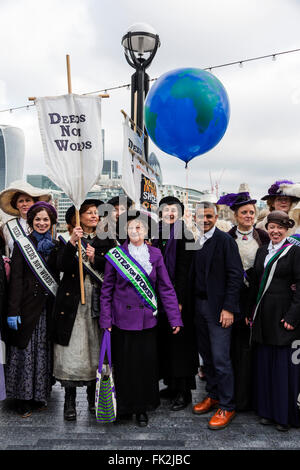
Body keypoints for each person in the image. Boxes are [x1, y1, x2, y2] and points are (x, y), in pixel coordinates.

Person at [100, 211, 183, 427]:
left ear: (147, 231)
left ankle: (143, 408)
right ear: (125, 231)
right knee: (125, 365)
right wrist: (106, 320)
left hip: (147, 320)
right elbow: (106, 290)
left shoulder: (155, 254)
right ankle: (125, 407)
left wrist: (175, 317)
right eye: (131, 227)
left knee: (145, 366)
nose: (135, 231)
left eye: (140, 227)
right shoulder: (115, 255)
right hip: (121, 320)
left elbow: (165, 288)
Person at [52, 199, 106, 421]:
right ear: (78, 216)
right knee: (72, 353)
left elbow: (110, 268)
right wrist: (72, 243)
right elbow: (60, 266)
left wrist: (96, 258)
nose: (94, 216)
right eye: (89, 212)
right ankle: (70, 402)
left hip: (97, 302)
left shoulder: (105, 240)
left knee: (95, 351)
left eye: (97, 213)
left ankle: (94, 399)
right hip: (72, 303)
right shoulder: (65, 240)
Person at [191, 201, 244, 430]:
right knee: (208, 358)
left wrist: (229, 308)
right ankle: (212, 395)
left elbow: (235, 276)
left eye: (209, 216)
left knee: (221, 359)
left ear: (216, 216)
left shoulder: (225, 241)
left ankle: (227, 405)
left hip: (219, 309)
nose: (205, 220)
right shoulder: (196, 242)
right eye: (201, 216)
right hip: (199, 307)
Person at [247, 210, 300, 431]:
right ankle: (268, 411)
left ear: (286, 229)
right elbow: (256, 284)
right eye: (271, 227)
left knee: (283, 368)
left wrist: (293, 316)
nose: (275, 231)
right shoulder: (261, 252)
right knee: (265, 365)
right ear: (266, 228)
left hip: (284, 316)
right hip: (263, 316)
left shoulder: (295, 252)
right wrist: (251, 313)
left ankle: (284, 415)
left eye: (279, 227)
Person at [5, 202, 59, 417]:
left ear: (52, 222)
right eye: (37, 219)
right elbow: (16, 280)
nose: (42, 223)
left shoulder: (55, 245)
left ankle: (39, 395)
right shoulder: (22, 245)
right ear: (31, 222)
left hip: (46, 308)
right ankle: (22, 399)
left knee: (42, 353)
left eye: (46, 219)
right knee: (24, 351)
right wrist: (12, 311)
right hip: (26, 308)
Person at [217, 192, 269, 410]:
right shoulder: (227, 237)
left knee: (254, 349)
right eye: (244, 212)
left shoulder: (264, 236)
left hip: (258, 298)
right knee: (235, 350)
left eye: (251, 212)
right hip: (234, 299)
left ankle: (255, 396)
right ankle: (236, 396)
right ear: (236, 216)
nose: (248, 216)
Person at [152, 196, 199, 411]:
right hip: (160, 298)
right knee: (166, 343)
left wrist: (177, 300)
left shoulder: (186, 235)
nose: (170, 213)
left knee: (180, 344)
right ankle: (171, 385)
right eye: (166, 209)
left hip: (179, 300)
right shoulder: (156, 234)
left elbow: (184, 271)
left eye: (174, 210)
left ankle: (184, 391)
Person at [0, 180, 52, 257]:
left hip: (38, 267)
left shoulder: (44, 224)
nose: (24, 204)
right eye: (21, 201)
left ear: (34, 203)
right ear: (16, 205)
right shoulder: (7, 227)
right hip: (15, 267)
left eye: (28, 200)